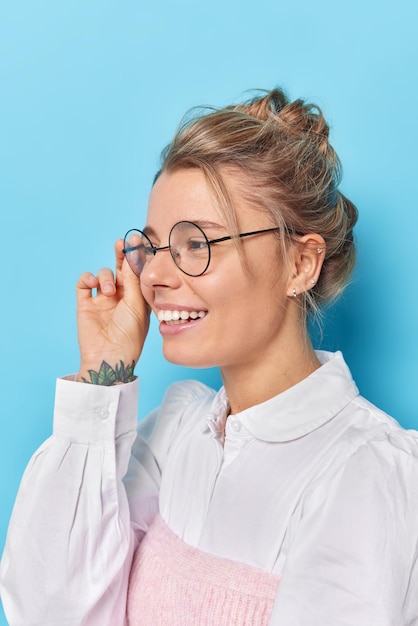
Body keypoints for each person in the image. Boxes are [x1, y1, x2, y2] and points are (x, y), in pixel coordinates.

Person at [1, 87, 417, 626]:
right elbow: (49, 611)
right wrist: (102, 371)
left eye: (197, 243)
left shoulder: (368, 474)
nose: (153, 276)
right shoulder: (176, 432)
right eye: (153, 246)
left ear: (301, 264)